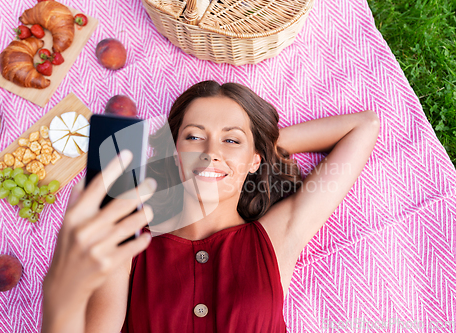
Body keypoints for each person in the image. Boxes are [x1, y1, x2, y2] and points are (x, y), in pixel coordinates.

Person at [40, 81, 380, 333]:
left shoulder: (275, 238)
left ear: (255, 159)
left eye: (231, 138)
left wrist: (251, 156)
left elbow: (363, 126)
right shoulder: (129, 243)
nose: (210, 151)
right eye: (193, 137)